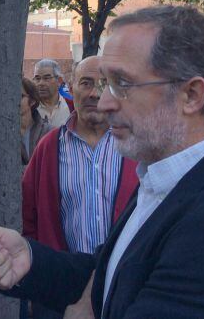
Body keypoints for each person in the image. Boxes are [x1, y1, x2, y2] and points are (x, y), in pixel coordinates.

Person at [0, 6, 204, 317]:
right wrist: (31, 261)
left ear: (191, 95)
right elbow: (119, 273)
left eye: (122, 84)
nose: (103, 103)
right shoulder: (169, 175)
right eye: (104, 83)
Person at [22, 56, 138, 318]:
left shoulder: (136, 146)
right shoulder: (49, 147)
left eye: (105, 84)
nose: (95, 93)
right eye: (86, 83)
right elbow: (28, 216)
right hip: (60, 286)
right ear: (71, 87)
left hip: (124, 285)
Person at [32, 59, 71, 128]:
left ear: (59, 81)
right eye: (37, 78)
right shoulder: (30, 107)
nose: (41, 83)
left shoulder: (71, 106)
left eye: (46, 78)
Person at [20, 79, 48, 165]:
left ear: (32, 101)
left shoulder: (48, 132)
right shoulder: (3, 132)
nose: (13, 100)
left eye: (20, 96)